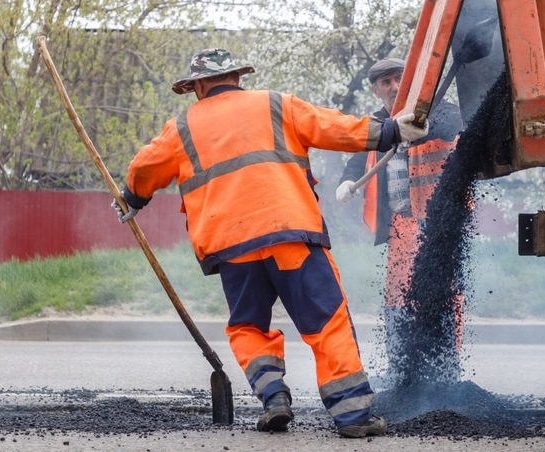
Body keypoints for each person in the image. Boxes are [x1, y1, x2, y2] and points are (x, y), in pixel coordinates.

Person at [111, 48, 427, 437]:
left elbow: (144, 169)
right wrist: (391, 131)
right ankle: (353, 416)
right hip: (289, 234)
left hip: (231, 248)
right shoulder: (276, 104)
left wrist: (133, 198)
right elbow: (334, 127)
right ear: (237, 78)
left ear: (197, 87)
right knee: (326, 321)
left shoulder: (181, 127)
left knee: (248, 325)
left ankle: (273, 397)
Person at [335, 58, 463, 381]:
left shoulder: (436, 110)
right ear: (375, 89)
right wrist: (346, 182)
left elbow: (453, 125)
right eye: (385, 83)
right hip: (401, 224)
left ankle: (446, 369)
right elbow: (356, 154)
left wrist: (419, 125)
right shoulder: (377, 125)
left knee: (445, 294)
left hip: (437, 225)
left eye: (397, 80)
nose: (393, 87)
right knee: (398, 296)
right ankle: (402, 369)